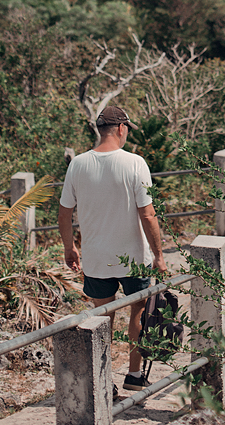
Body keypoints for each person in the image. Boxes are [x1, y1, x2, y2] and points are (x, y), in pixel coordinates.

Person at [58, 105, 167, 391]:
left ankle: (103, 381)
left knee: (101, 319)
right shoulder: (135, 163)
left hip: (96, 258)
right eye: (128, 129)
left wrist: (69, 248)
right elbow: (147, 214)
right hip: (134, 258)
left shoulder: (78, 164)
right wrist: (159, 256)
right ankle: (133, 375)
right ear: (121, 128)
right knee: (138, 312)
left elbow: (64, 212)